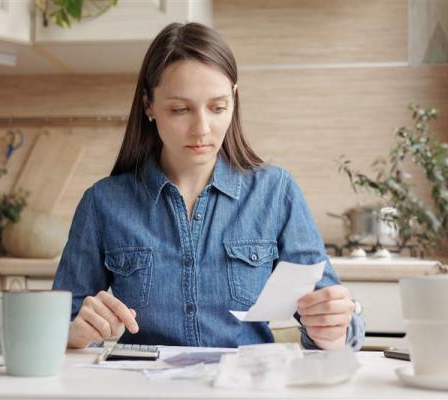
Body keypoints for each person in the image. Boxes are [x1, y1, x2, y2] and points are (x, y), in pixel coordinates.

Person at [53, 22, 365, 351]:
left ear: (234, 98)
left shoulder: (276, 192)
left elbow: (336, 319)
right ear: (148, 106)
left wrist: (333, 330)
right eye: (180, 110)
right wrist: (73, 333)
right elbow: (56, 327)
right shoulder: (103, 203)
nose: (201, 129)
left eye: (217, 108)